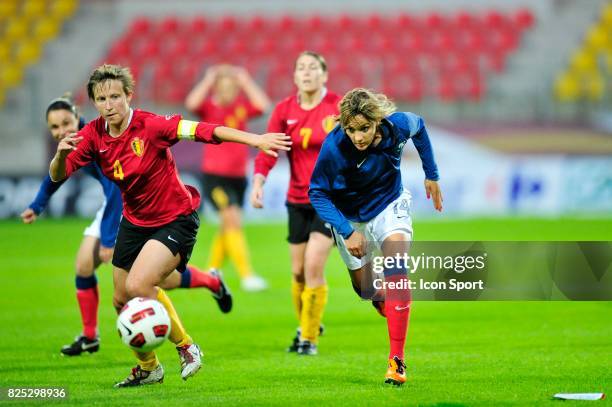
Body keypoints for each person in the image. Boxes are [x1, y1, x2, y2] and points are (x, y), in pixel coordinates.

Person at [48, 64, 290, 387]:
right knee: (121, 299)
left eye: (115, 97)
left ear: (128, 95)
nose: (110, 105)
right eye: (102, 99)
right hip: (135, 222)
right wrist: (60, 157)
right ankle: (149, 368)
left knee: (139, 286)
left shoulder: (151, 126)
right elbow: (57, 175)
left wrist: (255, 139)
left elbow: (207, 131)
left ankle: (187, 347)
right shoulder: (93, 135)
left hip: (176, 218)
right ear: (94, 102)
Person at [22, 94, 234, 357]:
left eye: (66, 122)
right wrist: (37, 205)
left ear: (79, 116)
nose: (61, 131)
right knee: (93, 268)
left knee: (151, 282)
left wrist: (110, 240)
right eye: (54, 127)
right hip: (119, 208)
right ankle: (91, 336)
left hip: (131, 209)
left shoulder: (97, 136)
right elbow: (57, 175)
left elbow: (114, 192)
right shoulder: (74, 143)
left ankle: (197, 313)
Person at [309, 88, 443, 385]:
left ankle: (397, 362)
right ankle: (382, 300)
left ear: (377, 120)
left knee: (397, 266)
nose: (358, 137)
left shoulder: (398, 126)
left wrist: (431, 173)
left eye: (365, 128)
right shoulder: (334, 148)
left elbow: (419, 125)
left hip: (389, 204)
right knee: (366, 290)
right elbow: (316, 192)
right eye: (351, 129)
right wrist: (347, 231)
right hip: (350, 218)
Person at [250, 51, 339, 355]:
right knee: (298, 272)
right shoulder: (284, 109)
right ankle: (307, 322)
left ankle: (308, 338)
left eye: (313, 67)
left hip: (329, 200)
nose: (307, 72)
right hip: (296, 199)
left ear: (324, 75)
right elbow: (268, 149)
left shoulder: (337, 107)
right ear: (294, 76)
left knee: (314, 267)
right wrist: (259, 181)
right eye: (301, 67)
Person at [185, 64, 270, 292]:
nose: (228, 92)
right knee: (232, 221)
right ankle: (247, 275)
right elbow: (191, 103)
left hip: (238, 176)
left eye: (232, 88)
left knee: (227, 226)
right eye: (223, 87)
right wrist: (208, 78)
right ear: (216, 88)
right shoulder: (209, 108)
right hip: (215, 177)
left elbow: (263, 105)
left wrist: (245, 80)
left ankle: (211, 269)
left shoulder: (240, 107)